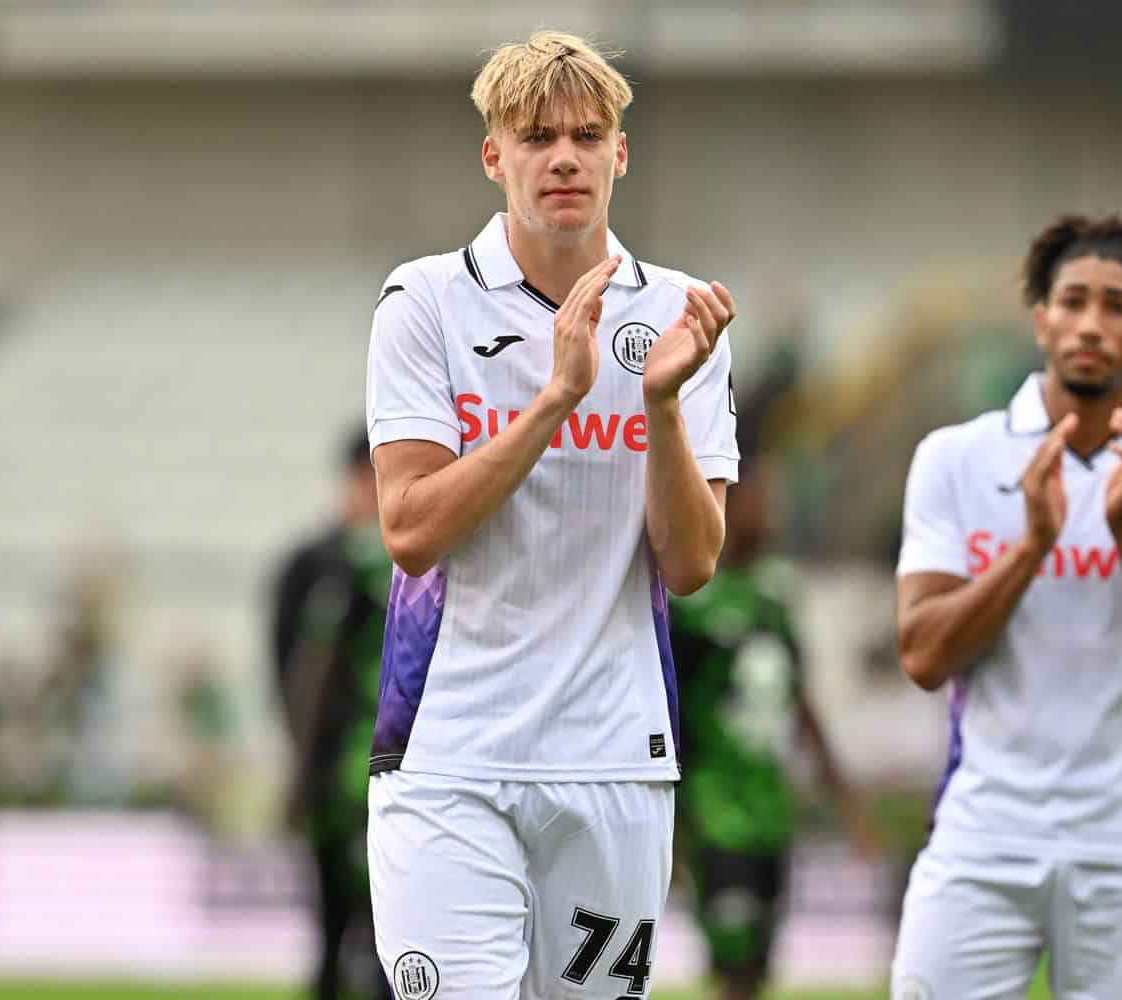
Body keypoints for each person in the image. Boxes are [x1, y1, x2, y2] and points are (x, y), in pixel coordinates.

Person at [363, 30, 738, 1000]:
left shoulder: (682, 314)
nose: (563, 156)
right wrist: (557, 396)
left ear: (621, 153)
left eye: (586, 134)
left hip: (614, 761)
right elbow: (410, 528)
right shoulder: (425, 300)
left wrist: (658, 403)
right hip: (448, 756)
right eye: (536, 137)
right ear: (496, 157)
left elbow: (693, 564)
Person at [890, 214, 1122, 999]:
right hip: (980, 837)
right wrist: (1030, 546)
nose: (1091, 323)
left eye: (1118, 306)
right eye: (1073, 300)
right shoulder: (955, 457)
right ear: (1041, 319)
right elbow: (922, 656)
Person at [669, 457, 875, 1000]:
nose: (768, 516)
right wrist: (670, 810)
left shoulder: (775, 602)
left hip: (771, 810)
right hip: (716, 810)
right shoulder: (690, 603)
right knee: (732, 958)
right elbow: (671, 710)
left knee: (761, 962)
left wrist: (842, 797)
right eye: (755, 503)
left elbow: (801, 702)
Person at [269, 429, 393, 1000]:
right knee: (331, 926)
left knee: (388, 935)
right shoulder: (313, 564)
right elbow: (290, 670)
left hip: (394, 773)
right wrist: (302, 768)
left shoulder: (416, 558)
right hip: (333, 777)